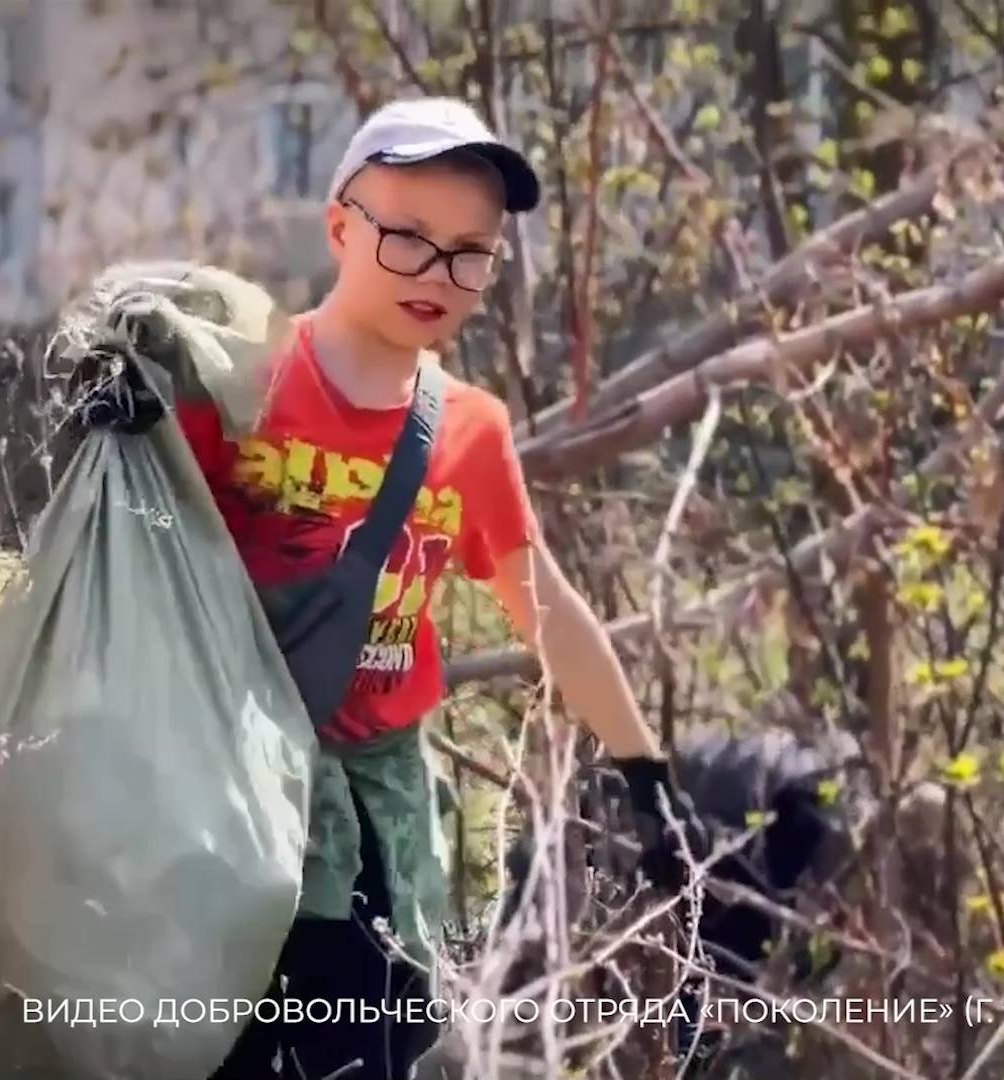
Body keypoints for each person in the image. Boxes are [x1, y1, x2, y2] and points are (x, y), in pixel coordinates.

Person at [76, 97, 702, 1080]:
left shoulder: (469, 429)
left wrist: (648, 780)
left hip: (382, 833)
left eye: (469, 253)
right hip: (224, 814)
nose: (437, 274)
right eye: (407, 237)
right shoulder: (233, 384)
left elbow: (544, 606)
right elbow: (121, 561)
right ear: (340, 228)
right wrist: (117, 425)